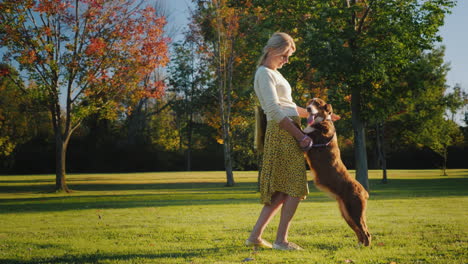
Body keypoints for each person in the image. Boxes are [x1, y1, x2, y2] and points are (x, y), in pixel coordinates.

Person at [246, 32, 312, 251]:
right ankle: (281, 241)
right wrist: (300, 135)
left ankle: (255, 237)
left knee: (283, 191)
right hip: (283, 132)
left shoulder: (275, 74)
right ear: (272, 50)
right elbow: (274, 111)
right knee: (294, 188)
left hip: (288, 128)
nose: (286, 60)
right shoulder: (264, 74)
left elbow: (288, 106)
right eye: (285, 55)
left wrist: (317, 115)